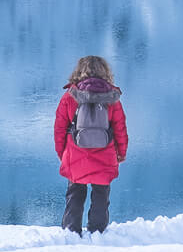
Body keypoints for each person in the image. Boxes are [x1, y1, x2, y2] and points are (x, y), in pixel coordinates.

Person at [55, 54, 128, 236]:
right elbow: (120, 129)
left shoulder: (70, 97)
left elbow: (59, 128)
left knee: (75, 193)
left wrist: (62, 153)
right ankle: (98, 232)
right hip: (105, 155)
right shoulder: (112, 98)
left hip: (75, 152)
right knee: (101, 195)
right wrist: (121, 153)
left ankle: (71, 232)